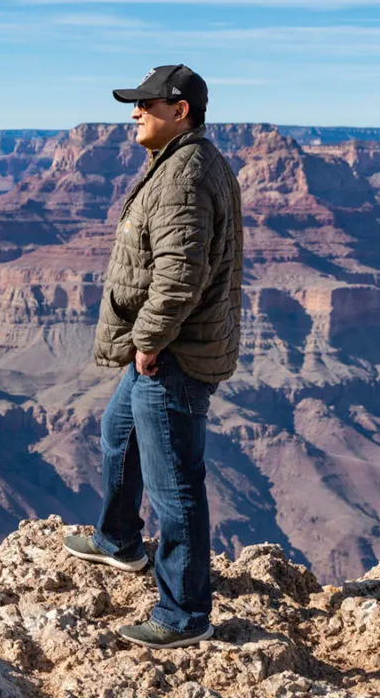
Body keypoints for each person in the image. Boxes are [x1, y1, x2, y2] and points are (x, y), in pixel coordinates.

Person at [63, 64, 243, 649]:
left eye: (147, 103)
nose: (134, 113)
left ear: (181, 110)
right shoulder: (179, 162)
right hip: (168, 349)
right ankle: (118, 540)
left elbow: (180, 273)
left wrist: (148, 341)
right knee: (119, 428)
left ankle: (184, 613)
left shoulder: (185, 174)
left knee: (175, 485)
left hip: (173, 356)